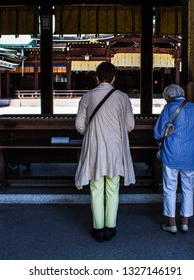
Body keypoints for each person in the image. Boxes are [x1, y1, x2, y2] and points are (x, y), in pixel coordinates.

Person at [75, 62, 136, 242]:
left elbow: (79, 125)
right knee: (112, 187)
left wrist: (92, 132)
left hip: (95, 146)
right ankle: (110, 226)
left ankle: (98, 228)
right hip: (115, 147)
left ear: (96, 77)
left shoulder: (87, 96)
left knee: (95, 187)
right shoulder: (123, 98)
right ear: (114, 78)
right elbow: (130, 125)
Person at [154, 84, 194, 234]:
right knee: (188, 189)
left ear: (169, 97)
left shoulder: (169, 108)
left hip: (171, 154)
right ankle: (184, 223)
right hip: (190, 155)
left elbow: (158, 132)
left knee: (169, 188)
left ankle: (171, 224)